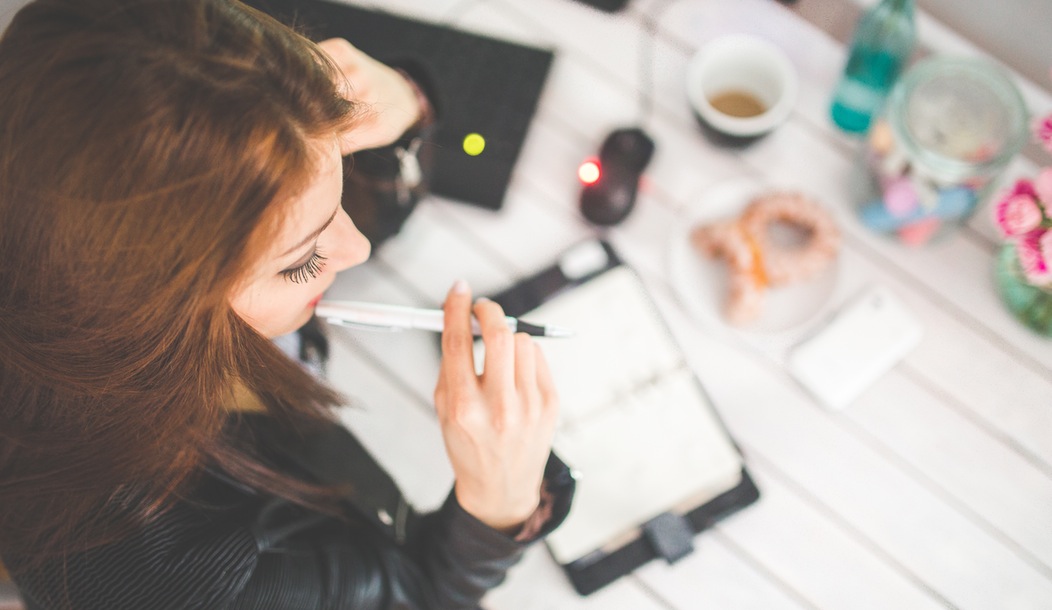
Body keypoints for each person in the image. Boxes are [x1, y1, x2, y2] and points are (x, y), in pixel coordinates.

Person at [0, 0, 574, 608]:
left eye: (340, 178)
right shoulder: (167, 577)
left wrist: (405, 103)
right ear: (152, 307)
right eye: (299, 260)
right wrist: (495, 511)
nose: (353, 249)